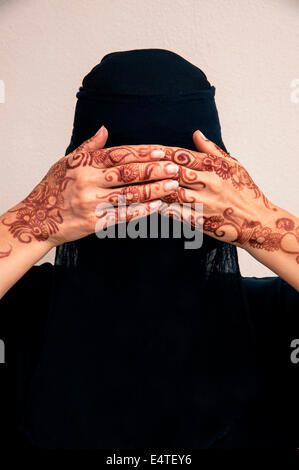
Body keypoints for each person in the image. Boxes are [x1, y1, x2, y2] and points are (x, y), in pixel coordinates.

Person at [0, 49, 298, 449]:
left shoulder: (277, 316)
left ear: (223, 192)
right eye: (114, 189)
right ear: (71, 189)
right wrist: (34, 222)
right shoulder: (17, 307)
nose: (146, 214)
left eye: (185, 188)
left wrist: (261, 224)